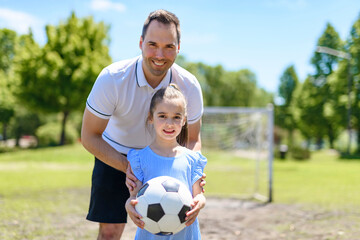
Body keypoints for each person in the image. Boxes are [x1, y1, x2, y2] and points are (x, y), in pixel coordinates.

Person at [81, 9, 205, 240]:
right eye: (152, 44)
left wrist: (192, 172)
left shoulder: (189, 85)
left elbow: (192, 139)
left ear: (178, 47)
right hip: (115, 156)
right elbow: (89, 136)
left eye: (169, 46)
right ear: (140, 43)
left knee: (171, 230)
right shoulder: (112, 78)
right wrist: (130, 167)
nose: (160, 54)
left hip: (165, 159)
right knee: (109, 232)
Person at [125, 84, 206, 240]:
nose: (169, 123)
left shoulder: (192, 159)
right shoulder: (139, 159)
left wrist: (199, 203)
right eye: (162, 116)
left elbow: (199, 195)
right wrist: (128, 205)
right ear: (151, 117)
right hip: (150, 235)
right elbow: (134, 197)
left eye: (176, 117)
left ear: (184, 120)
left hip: (185, 234)